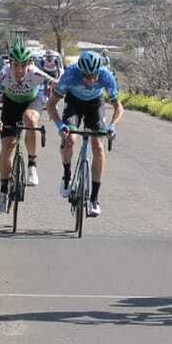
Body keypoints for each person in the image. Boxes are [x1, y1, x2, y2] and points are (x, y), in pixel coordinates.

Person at [46, 49, 124, 218]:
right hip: (74, 102)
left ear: (99, 72)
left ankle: (94, 199)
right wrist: (60, 125)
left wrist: (112, 126)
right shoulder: (70, 74)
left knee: (98, 147)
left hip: (95, 104)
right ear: (80, 71)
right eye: (86, 76)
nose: (90, 80)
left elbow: (119, 108)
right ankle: (67, 175)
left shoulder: (106, 75)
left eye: (93, 76)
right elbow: (51, 105)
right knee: (70, 139)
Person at [0, 39, 51, 213]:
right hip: (11, 104)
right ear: (11, 64)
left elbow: (58, 84)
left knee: (30, 119)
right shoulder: (2, 75)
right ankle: (2, 193)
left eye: (23, 65)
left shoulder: (36, 73)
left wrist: (52, 102)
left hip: (32, 101)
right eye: (16, 65)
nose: (19, 70)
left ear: (29, 65)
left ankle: (32, 165)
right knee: (7, 146)